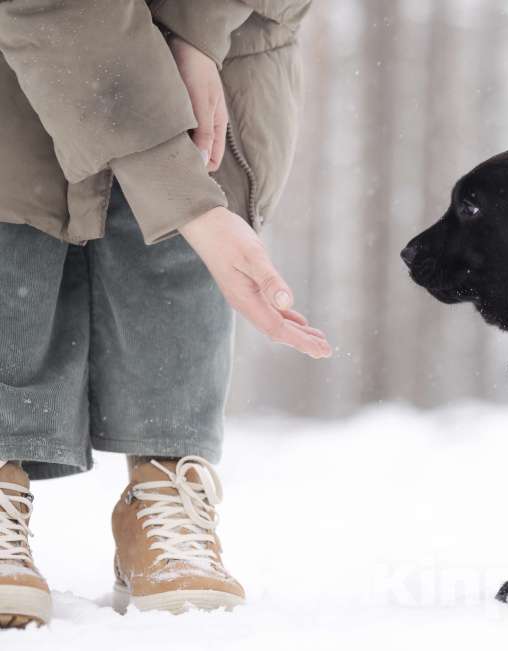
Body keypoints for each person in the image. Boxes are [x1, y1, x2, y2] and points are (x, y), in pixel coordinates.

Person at [0, 0, 322, 627]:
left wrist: (195, 31)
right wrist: (182, 192)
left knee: (173, 244)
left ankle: (164, 485)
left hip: (233, 40)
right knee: (14, 209)